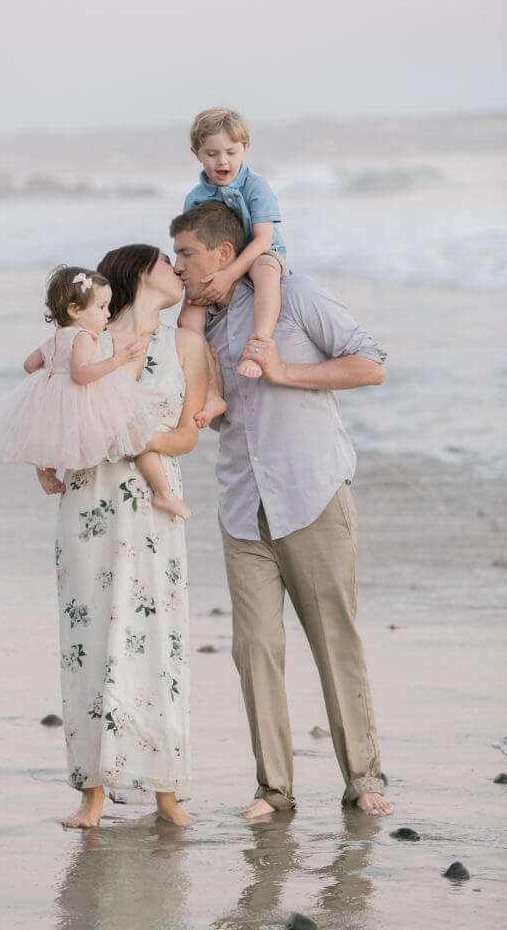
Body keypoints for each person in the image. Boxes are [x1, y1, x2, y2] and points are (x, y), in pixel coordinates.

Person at [171, 200, 394, 818]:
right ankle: (274, 789)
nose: (178, 265)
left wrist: (286, 372)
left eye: (187, 254)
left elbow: (371, 365)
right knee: (255, 649)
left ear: (223, 254)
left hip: (311, 494)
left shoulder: (294, 295)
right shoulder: (199, 329)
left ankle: (364, 778)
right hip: (242, 503)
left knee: (334, 641)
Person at [39, 246, 208, 828]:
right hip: (90, 500)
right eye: (168, 262)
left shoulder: (186, 344)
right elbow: (52, 402)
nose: (179, 270)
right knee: (91, 635)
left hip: (154, 506)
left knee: (157, 642)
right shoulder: (90, 339)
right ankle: (93, 792)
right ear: (139, 273)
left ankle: (167, 790)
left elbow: (188, 434)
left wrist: (138, 438)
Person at [0, 264, 191, 521]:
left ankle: (46, 470)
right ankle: (163, 491)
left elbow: (29, 365)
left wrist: (52, 382)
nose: (107, 314)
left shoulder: (54, 338)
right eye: (101, 308)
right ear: (74, 310)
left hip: (58, 396)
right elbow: (81, 373)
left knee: (57, 435)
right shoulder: (84, 336)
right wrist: (117, 361)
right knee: (134, 432)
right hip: (85, 394)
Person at [178, 107, 287, 427]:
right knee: (191, 314)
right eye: (212, 154)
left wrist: (229, 274)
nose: (222, 161)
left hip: (259, 255)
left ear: (246, 149)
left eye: (230, 152)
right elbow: (191, 245)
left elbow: (263, 239)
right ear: (196, 153)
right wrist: (188, 277)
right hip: (218, 262)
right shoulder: (196, 197)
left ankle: (259, 343)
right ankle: (209, 388)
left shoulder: (256, 187)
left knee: (265, 270)